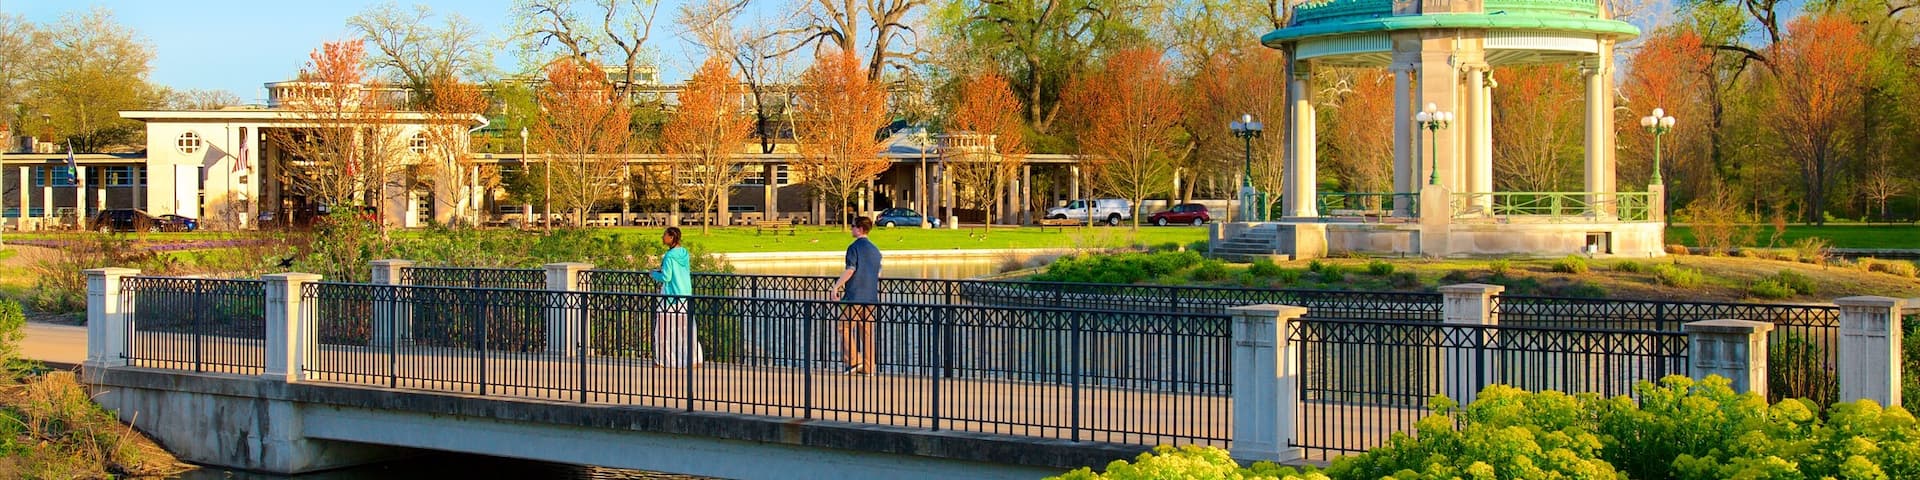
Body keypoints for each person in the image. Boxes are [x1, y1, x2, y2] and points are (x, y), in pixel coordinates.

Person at [831, 216, 882, 375]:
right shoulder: (876, 250)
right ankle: (869, 367)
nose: (851, 229)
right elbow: (878, 273)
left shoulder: (853, 248)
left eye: (853, 226)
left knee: (843, 327)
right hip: (871, 297)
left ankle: (853, 360)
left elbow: (850, 270)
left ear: (859, 229)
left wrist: (836, 286)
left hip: (854, 296)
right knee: (866, 333)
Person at [650, 227, 702, 368]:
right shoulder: (684, 253)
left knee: (663, 330)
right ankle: (694, 358)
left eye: (665, 235)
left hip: (671, 297)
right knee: (686, 329)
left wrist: (653, 274)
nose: (662, 237)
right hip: (685, 294)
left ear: (671, 237)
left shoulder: (669, 256)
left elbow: (666, 277)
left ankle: (662, 360)